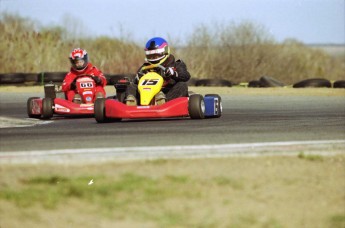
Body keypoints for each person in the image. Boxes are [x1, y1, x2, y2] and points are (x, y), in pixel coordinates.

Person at [125, 37, 191, 106]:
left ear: (165, 51)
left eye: (156, 55)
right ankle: (132, 101)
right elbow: (135, 82)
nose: (153, 58)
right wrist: (138, 78)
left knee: (182, 85)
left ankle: (163, 102)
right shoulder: (144, 67)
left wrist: (173, 74)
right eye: (150, 56)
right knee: (130, 85)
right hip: (145, 93)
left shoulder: (176, 64)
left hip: (168, 92)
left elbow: (186, 76)